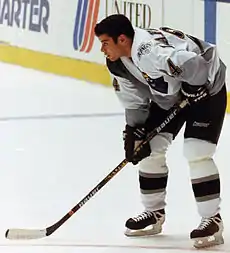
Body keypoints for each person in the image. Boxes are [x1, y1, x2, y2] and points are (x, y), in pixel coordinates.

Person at [94, 14, 227, 249]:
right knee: (148, 148)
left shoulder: (150, 52)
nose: (102, 49)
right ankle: (153, 213)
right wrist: (134, 132)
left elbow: (197, 65)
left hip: (207, 88)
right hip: (171, 95)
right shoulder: (117, 63)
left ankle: (212, 219)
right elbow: (134, 101)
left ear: (122, 39)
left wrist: (195, 88)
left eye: (105, 42)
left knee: (197, 152)